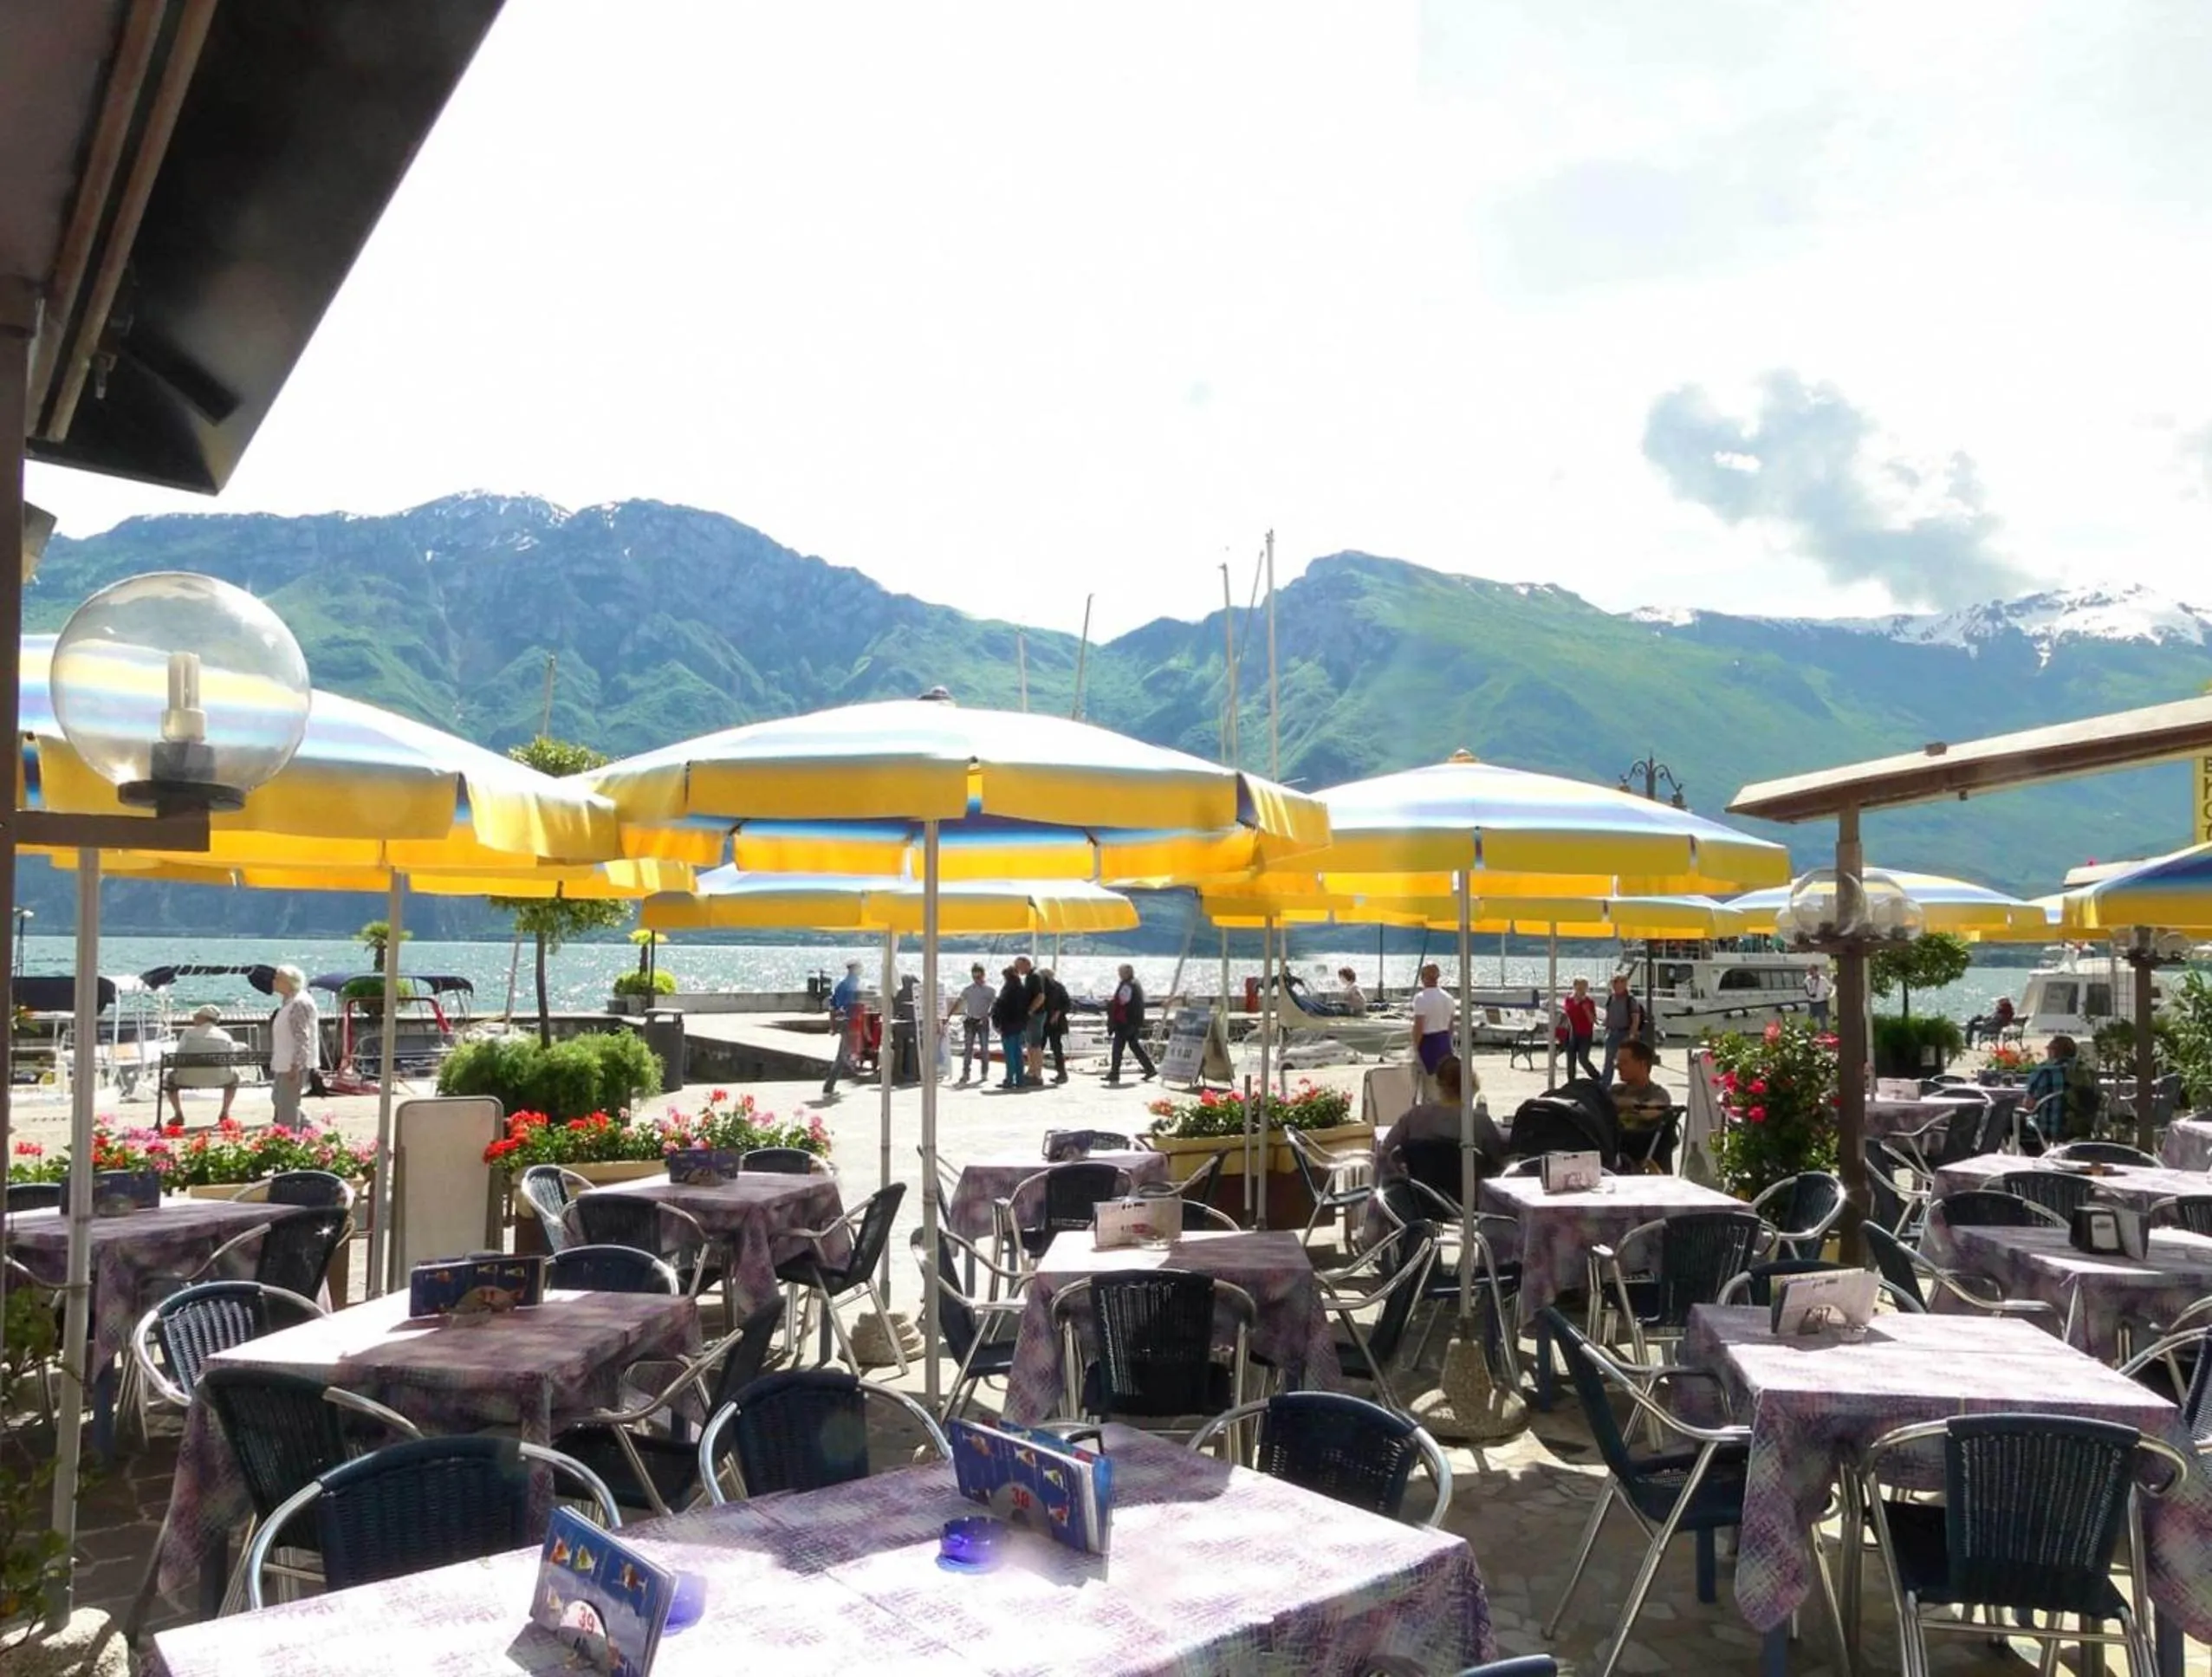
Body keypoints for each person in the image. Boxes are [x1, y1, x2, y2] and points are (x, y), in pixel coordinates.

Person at [1375, 1056, 1508, 1187]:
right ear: (1472, 1084)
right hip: (1469, 1202)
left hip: (1420, 1200)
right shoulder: (1481, 1122)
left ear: (1439, 1084)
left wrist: (1400, 1181)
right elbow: (1498, 1165)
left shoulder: (1414, 1116)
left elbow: (1384, 1153)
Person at [167, 1004, 239, 1124]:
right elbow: (231, 1059)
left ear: (203, 1018)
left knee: (169, 1079)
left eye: (196, 1016)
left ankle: (178, 1114)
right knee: (235, 1076)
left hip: (187, 1078)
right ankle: (225, 1113)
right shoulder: (225, 1036)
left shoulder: (188, 1034)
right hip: (220, 1079)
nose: (194, 1018)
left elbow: (178, 1055)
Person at [1610, 1038, 1676, 1170]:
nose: (1617, 1067)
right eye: (1617, 1062)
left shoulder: (1657, 1093)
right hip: (1612, 1150)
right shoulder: (1615, 1090)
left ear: (1642, 1065)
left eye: (1624, 1062)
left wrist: (1625, 1105)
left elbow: (1650, 1113)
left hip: (1639, 1152)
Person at [268, 965, 320, 1127]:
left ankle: (292, 1140)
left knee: (287, 1107)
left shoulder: (299, 1003)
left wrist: (296, 1065)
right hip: (283, 1060)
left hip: (293, 1062)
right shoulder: (289, 1000)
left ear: (289, 982)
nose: (274, 982)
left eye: (278, 979)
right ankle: (311, 1133)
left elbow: (302, 1036)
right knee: (278, 1099)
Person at [2026, 1034, 2100, 1143]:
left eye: (2048, 1049)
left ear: (2053, 1052)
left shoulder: (2044, 1072)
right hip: (2082, 1131)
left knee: (2011, 1121)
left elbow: (2029, 1105)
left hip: (2048, 1131)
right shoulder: (2087, 1072)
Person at [1105, 964, 1155, 1084]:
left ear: (1127, 973)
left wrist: (1110, 1003)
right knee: (1134, 1046)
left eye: (1121, 972)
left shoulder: (1128, 985)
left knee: (1118, 1047)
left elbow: (1123, 1001)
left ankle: (1114, 1073)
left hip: (1126, 1021)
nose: (1119, 974)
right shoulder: (1134, 983)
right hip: (1133, 1021)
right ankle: (1150, 1069)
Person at [821, 959, 864, 1100]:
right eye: (860, 967)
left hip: (843, 1023)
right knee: (842, 1056)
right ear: (855, 969)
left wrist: (832, 1026)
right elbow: (854, 1006)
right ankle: (828, 1088)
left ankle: (852, 1066)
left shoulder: (841, 985)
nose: (862, 970)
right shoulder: (854, 985)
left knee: (847, 1052)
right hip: (851, 1023)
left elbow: (832, 1006)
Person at [1409, 964, 1454, 1089]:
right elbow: (1450, 1026)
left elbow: (1419, 1027)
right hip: (1444, 1042)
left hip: (1428, 1044)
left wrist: (1415, 1048)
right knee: (1443, 1083)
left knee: (1426, 1084)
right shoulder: (1448, 998)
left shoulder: (1421, 998)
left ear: (1423, 978)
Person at [950, 963, 996, 1084]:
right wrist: (948, 1015)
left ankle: (984, 1072)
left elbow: (995, 1005)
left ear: (983, 976)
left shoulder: (990, 990)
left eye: (979, 977)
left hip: (983, 1021)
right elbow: (959, 1002)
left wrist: (988, 1015)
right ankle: (965, 1073)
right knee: (968, 1048)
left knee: (984, 1048)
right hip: (970, 1020)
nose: (977, 980)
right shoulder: (968, 990)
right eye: (975, 977)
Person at [990, 965, 1031, 1089]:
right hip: (1020, 1024)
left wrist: (996, 1022)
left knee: (1010, 1054)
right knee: (1018, 1053)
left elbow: (1000, 1007)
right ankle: (1020, 1080)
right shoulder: (1022, 989)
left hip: (1008, 1025)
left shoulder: (1007, 990)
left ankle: (1009, 1080)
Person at [1599, 973, 1644, 1084]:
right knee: (1608, 1062)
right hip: (1612, 1033)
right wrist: (1605, 1026)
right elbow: (1609, 1015)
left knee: (1627, 1062)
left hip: (1625, 1033)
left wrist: (1632, 1035)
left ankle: (1631, 1084)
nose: (1615, 985)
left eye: (1618, 983)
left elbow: (1635, 1018)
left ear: (1624, 984)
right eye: (1614, 982)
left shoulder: (1630, 999)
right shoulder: (1611, 998)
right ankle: (1605, 1087)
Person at [1036, 965, 1073, 1084]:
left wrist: (1058, 1013)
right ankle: (1038, 1073)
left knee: (1055, 1048)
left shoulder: (1057, 987)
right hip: (1045, 1021)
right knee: (1040, 1047)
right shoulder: (1049, 987)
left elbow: (1067, 1004)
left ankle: (1061, 1073)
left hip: (1053, 1022)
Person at [1560, 978, 1599, 1082]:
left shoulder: (1589, 1001)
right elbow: (1566, 1013)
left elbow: (1593, 1020)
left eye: (1584, 987)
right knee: (1571, 1059)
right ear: (1574, 986)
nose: (1581, 989)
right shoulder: (1569, 1000)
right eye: (1579, 986)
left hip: (1585, 1034)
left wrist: (1586, 1010)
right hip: (1571, 1033)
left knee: (1583, 1059)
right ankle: (1571, 1082)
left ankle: (1597, 1077)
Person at [1015, 955, 1047, 1082]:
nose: (1017, 969)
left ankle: (1037, 1074)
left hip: (1036, 1015)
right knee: (1030, 1044)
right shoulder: (1029, 977)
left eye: (1019, 966)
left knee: (1035, 1045)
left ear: (1027, 964)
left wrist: (1030, 1011)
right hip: (1031, 1015)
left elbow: (1041, 996)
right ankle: (1031, 1071)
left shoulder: (1035, 976)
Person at [1802, 963, 1833, 1030]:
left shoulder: (1822, 979)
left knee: (1823, 1022)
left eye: (1811, 970)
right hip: (1812, 1003)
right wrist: (1809, 994)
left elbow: (1830, 988)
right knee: (1811, 1021)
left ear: (1816, 970)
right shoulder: (1807, 979)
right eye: (1809, 970)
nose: (1810, 972)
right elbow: (1805, 987)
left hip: (1821, 1002)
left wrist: (1828, 996)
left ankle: (1824, 1034)